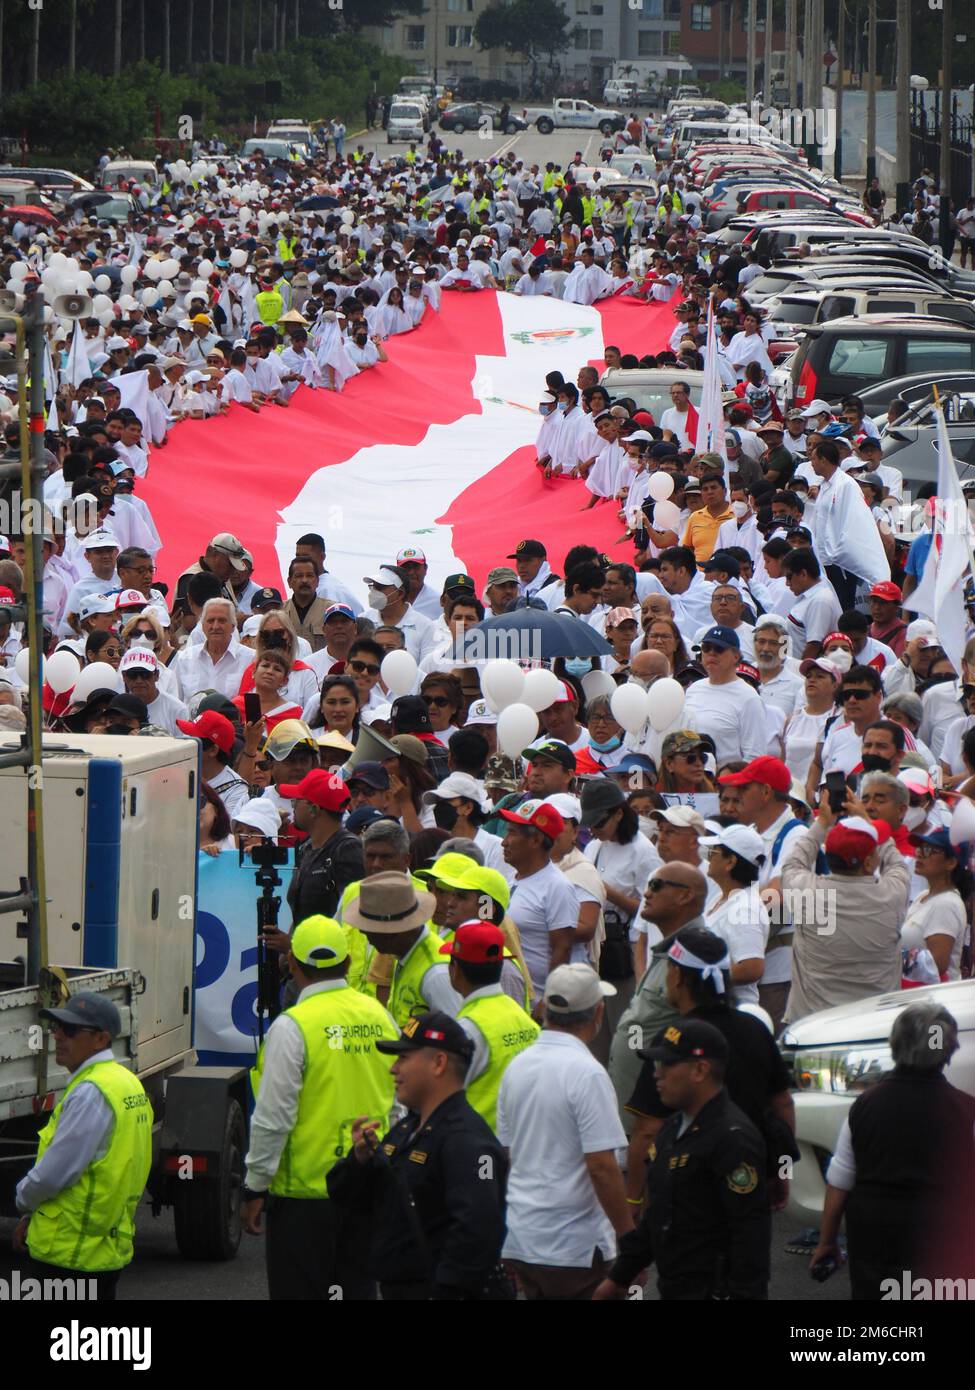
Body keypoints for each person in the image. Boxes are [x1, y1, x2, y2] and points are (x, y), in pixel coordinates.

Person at [242, 915, 398, 1300]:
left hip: (304, 1200)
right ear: (347, 964)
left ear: (292, 964)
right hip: (368, 1186)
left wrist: (255, 1186)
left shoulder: (293, 1026)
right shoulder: (381, 1016)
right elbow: (398, 1105)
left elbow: (273, 1117)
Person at [327, 1010, 508, 1300]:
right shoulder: (408, 1128)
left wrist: (446, 1290)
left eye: (404, 1057)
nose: (393, 1069)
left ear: (438, 1063)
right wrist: (358, 1161)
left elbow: (479, 1231)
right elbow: (350, 1198)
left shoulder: (466, 1140)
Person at [593, 1018, 770, 1301]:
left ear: (700, 1070)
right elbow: (657, 1217)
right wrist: (618, 1277)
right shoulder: (673, 1129)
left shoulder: (733, 1139)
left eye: (667, 1065)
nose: (656, 1075)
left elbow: (750, 1241)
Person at [623, 926, 796, 1211]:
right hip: (749, 1184)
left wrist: (632, 1200)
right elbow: (783, 1104)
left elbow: (647, 1131)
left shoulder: (673, 1040)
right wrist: (782, 1172)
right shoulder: (755, 1029)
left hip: (688, 1193)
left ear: (677, 977)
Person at [811, 1002, 975, 1298]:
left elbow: (839, 1182)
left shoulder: (864, 1107)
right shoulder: (966, 1111)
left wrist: (827, 1242)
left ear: (895, 1045)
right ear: (949, 1051)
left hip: (875, 1245)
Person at [498, 964, 632, 1299]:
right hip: (573, 1248)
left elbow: (508, 1155)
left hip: (524, 1238)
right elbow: (602, 1167)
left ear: (545, 1009)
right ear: (598, 1013)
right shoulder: (588, 1073)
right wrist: (630, 1240)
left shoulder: (517, 1067)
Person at [13, 992, 152, 1302]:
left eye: (71, 1030)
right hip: (102, 1248)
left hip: (70, 1253)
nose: (59, 1036)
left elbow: (55, 1173)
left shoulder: (91, 1091)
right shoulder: (125, 1082)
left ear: (101, 1039)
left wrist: (23, 1200)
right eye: (58, 1027)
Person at [781, 795, 911, 1023]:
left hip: (813, 1028)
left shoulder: (807, 894)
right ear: (869, 863)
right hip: (873, 1026)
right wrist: (867, 820)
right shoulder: (893, 894)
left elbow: (794, 863)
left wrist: (822, 823)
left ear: (829, 859)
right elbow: (896, 863)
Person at [608, 862, 709, 1123]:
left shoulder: (694, 954)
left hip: (655, 1120)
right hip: (635, 1113)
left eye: (655, 885)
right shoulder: (671, 948)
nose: (646, 894)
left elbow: (702, 1035)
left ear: (685, 896)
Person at [442, 920, 539, 1133]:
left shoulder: (467, 1029)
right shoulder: (523, 1019)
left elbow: (445, 1099)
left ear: (455, 969)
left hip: (479, 1146)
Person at [343, 870, 459, 1025]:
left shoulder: (436, 975)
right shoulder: (406, 956)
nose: (363, 932)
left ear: (394, 931)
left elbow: (459, 1040)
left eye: (370, 928)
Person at [499, 799, 580, 1007]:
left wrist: (547, 1004)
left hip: (535, 1006)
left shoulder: (558, 886)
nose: (504, 841)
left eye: (512, 833)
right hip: (509, 1001)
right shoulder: (510, 880)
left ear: (535, 841)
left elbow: (562, 949)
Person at [699, 822, 770, 1006]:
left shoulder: (744, 908)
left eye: (714, 853)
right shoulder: (723, 898)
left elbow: (751, 967)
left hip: (732, 1013)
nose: (709, 857)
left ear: (730, 862)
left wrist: (698, 980)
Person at [683, 624, 767, 765]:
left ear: (736, 656)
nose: (712, 653)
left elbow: (755, 756)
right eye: (706, 648)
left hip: (726, 782)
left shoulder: (749, 697)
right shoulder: (693, 689)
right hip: (690, 780)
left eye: (719, 649)